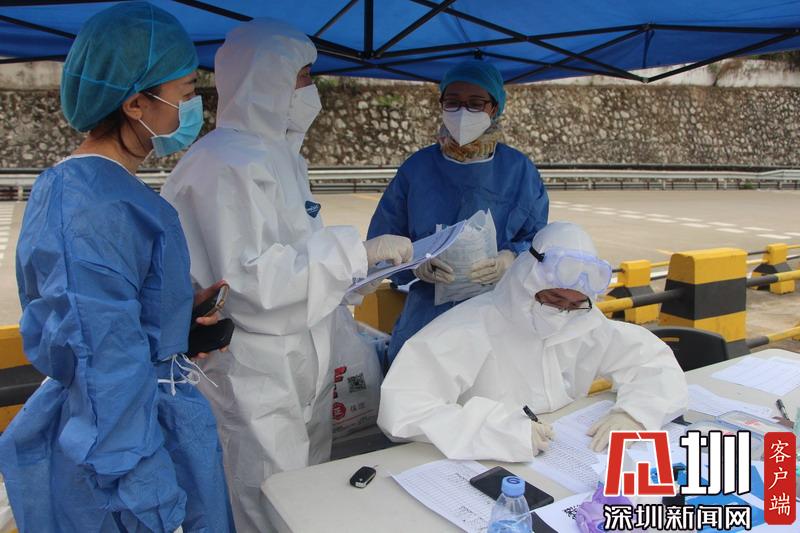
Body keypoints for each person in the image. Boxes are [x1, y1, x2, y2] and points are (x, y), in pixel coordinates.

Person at [161, 18, 412, 531]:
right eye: (302, 77)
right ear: (266, 80)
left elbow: (299, 258)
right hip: (254, 371)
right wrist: (354, 254)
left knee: (303, 493)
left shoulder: (279, 157)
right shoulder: (224, 164)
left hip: (296, 366)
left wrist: (355, 274)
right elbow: (250, 284)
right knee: (265, 499)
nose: (309, 91)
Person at [0, 3, 234, 532]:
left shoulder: (108, 192)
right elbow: (100, 356)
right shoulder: (90, 204)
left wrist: (177, 319)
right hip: (122, 455)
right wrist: (150, 495)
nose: (193, 106)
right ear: (135, 103)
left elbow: (117, 315)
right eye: (185, 92)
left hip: (150, 421)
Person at [378, 222, 688, 461]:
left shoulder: (583, 322)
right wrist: (496, 431)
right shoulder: (468, 327)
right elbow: (403, 407)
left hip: (567, 454)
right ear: (527, 282)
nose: (561, 313)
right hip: (485, 462)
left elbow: (652, 362)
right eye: (553, 299)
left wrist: (635, 414)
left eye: (573, 303)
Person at [367, 60, 549, 367]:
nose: (463, 112)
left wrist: (511, 259)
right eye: (452, 102)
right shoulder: (417, 169)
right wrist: (415, 262)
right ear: (441, 104)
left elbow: (539, 242)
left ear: (494, 108)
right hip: (427, 317)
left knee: (492, 383)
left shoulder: (518, 171)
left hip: (498, 313)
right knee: (417, 382)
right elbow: (382, 243)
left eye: (475, 103)